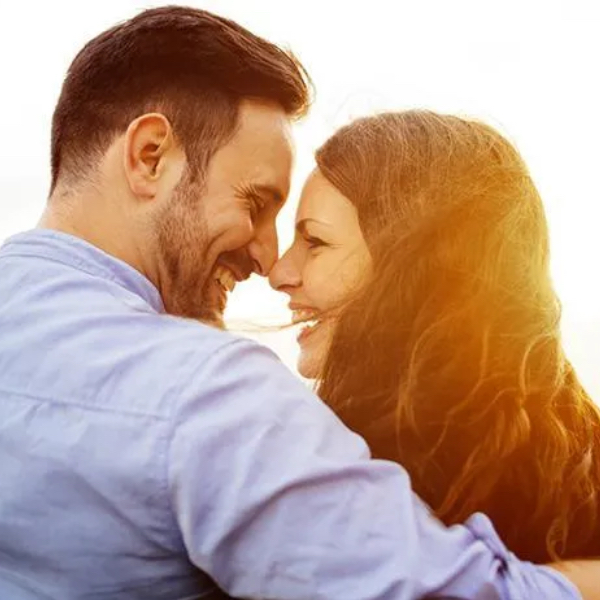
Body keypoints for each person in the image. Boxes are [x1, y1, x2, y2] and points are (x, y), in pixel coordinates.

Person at [0, 5, 597, 599]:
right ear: (150, 155)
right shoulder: (208, 395)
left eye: (311, 239)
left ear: (413, 274)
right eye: (256, 203)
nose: (269, 262)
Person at [270, 110, 600, 565]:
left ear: (411, 270)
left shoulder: (356, 484)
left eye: (315, 242)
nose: (279, 272)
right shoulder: (570, 464)